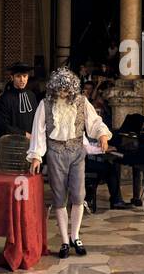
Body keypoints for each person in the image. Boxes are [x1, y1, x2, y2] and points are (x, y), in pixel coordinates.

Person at [28, 66, 112, 257]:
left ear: (72, 88)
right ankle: (65, 241)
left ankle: (75, 236)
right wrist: (36, 156)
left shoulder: (82, 102)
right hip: (55, 153)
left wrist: (103, 136)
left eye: (66, 89)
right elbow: (38, 131)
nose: (63, 93)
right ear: (54, 88)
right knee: (59, 197)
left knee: (78, 195)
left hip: (76, 152)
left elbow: (95, 123)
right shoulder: (45, 104)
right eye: (59, 89)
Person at [0, 62, 37, 155]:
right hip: (11, 146)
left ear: (28, 77)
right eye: (18, 76)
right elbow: (2, 125)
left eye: (25, 76)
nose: (22, 80)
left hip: (31, 145)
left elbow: (37, 119)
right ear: (12, 77)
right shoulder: (4, 99)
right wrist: (24, 134)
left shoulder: (31, 96)